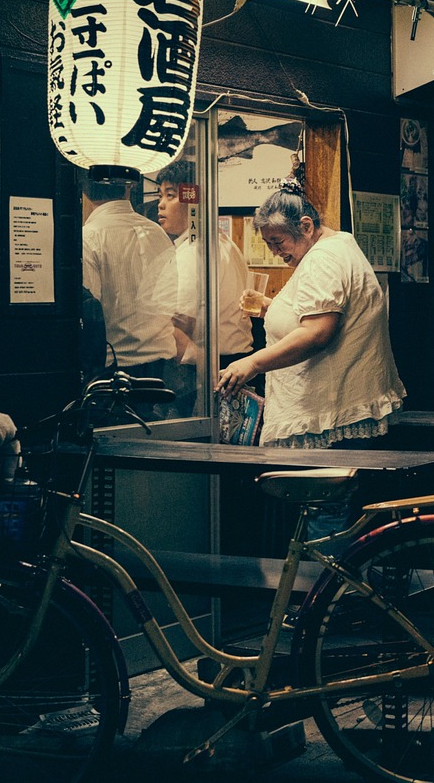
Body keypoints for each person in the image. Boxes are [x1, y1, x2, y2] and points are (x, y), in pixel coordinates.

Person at [215, 180, 407, 535]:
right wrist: (271, 309)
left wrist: (252, 363)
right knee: (329, 511)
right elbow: (315, 315)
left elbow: (318, 332)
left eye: (278, 242)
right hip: (335, 408)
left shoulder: (323, 260)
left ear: (305, 226)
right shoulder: (335, 246)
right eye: (268, 244)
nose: (275, 252)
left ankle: (328, 574)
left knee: (327, 513)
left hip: (333, 411)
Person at [154, 160, 254, 415]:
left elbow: (178, 329)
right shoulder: (224, 243)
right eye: (160, 195)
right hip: (233, 364)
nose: (161, 204)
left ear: (193, 201)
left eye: (170, 195)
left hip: (203, 373)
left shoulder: (193, 253)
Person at [80, 170, 177, 404]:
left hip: (115, 370)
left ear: (83, 189)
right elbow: (170, 299)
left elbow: (91, 316)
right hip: (164, 366)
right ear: (129, 187)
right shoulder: (157, 232)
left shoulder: (89, 236)